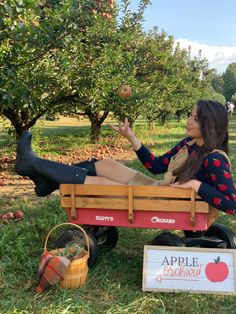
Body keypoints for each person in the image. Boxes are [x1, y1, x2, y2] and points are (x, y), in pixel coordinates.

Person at [15, 99, 236, 215]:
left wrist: (196, 185)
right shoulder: (188, 144)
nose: (188, 120)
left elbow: (231, 204)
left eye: (195, 118)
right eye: (190, 114)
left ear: (209, 125)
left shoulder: (214, 159)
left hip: (163, 201)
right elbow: (156, 166)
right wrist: (132, 137)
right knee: (107, 164)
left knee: (101, 183)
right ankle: (47, 180)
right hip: (159, 189)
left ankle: (35, 166)